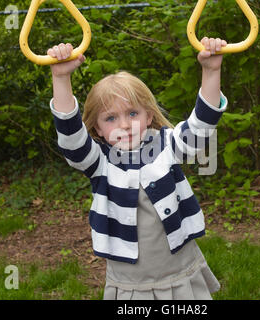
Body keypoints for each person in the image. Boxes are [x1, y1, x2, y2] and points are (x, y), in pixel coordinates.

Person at [48, 37, 228, 300]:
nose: (123, 124)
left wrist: (211, 71)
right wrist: (61, 78)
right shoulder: (100, 162)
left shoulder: (167, 145)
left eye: (132, 113)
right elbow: (71, 140)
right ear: (97, 128)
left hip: (178, 267)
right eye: (110, 118)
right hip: (132, 280)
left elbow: (201, 127)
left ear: (148, 116)